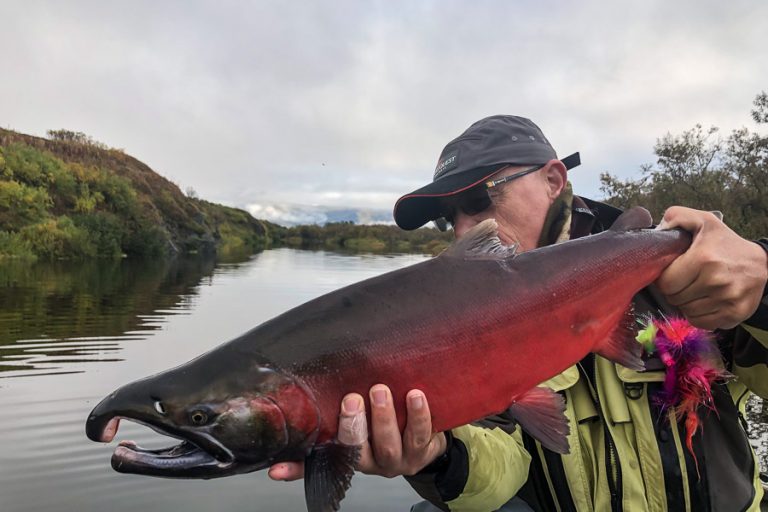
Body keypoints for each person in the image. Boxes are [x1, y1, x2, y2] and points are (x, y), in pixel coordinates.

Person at [269, 115, 768, 511]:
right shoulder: (455, 326)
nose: (464, 228)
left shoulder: (682, 271)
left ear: (554, 180)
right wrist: (436, 458)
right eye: (450, 216)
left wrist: (761, 288)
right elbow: (501, 471)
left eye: (479, 197)